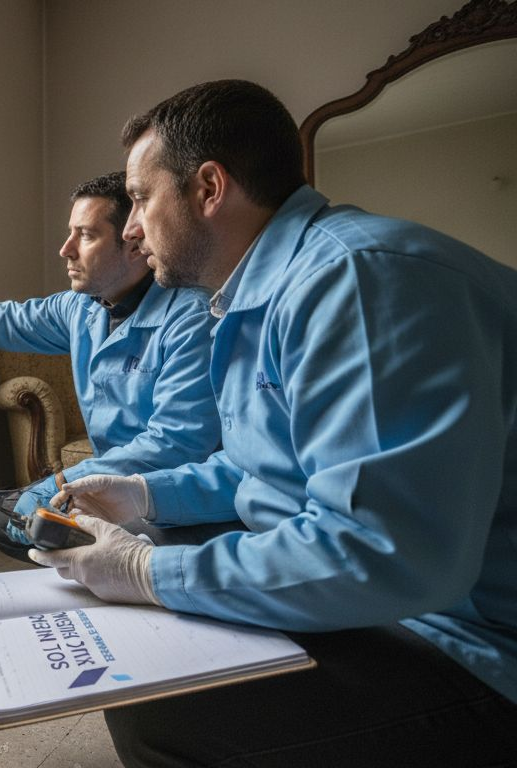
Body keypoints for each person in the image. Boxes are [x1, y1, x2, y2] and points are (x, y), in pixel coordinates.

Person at [32, 79, 517, 765]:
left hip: (476, 643)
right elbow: (272, 462)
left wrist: (145, 572)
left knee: (160, 714)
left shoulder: (357, 280)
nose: (132, 229)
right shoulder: (256, 293)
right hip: (416, 599)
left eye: (140, 199)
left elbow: (382, 552)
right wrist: (145, 495)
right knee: (158, 553)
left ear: (209, 188)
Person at [0, 172, 222, 562]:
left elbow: (175, 444)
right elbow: (7, 319)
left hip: (169, 490)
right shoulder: (82, 307)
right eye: (70, 233)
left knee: (79, 532)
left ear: (134, 244)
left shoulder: (190, 317)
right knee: (11, 525)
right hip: (106, 486)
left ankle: (155, 561)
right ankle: (128, 563)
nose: (65, 249)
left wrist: (63, 482)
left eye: (85, 236)